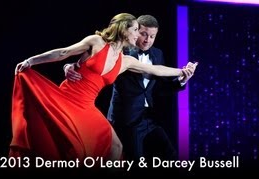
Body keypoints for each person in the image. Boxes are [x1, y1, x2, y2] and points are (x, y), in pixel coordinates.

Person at [10, 13, 195, 162]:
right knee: (70, 147)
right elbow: (63, 53)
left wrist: (182, 71)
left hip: (87, 107)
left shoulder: (126, 61)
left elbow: (156, 69)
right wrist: (31, 60)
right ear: (124, 30)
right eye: (137, 30)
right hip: (68, 98)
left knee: (116, 148)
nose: (139, 36)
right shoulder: (97, 42)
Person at [65, 15, 197, 162]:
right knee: (133, 160)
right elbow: (92, 61)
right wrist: (69, 66)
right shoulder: (121, 50)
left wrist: (182, 79)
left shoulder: (158, 54)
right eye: (144, 34)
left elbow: (160, 88)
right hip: (126, 119)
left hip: (149, 118)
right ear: (134, 31)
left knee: (170, 155)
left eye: (152, 36)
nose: (147, 40)